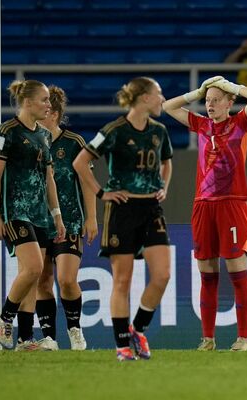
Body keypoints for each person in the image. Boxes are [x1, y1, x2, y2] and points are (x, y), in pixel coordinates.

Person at [73, 77, 173, 361]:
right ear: (144, 98)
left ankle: (138, 329)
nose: (162, 99)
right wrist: (102, 192)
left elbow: (167, 162)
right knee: (122, 281)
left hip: (151, 208)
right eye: (159, 94)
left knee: (163, 275)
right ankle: (122, 346)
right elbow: (80, 162)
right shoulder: (114, 130)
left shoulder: (159, 131)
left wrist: (164, 186)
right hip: (122, 209)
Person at [162, 75, 247, 351]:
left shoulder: (240, 123)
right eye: (207, 101)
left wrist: (231, 86)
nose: (210, 105)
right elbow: (168, 107)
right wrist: (197, 91)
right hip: (203, 204)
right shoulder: (202, 125)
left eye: (216, 100)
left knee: (236, 269)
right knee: (207, 271)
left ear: (230, 102)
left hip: (233, 204)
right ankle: (208, 339)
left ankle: (243, 338)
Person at [0, 79, 66, 350]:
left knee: (32, 275)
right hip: (15, 211)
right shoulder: (5, 132)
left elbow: (49, 179)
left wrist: (56, 214)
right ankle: (4, 317)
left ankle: (24, 339)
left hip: (39, 213)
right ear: (28, 102)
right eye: (44, 100)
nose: (49, 104)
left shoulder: (44, 135)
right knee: (33, 267)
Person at [32, 85, 96, 351]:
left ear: (55, 114)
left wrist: (91, 218)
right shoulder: (30, 143)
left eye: (45, 112)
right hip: (38, 222)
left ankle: (75, 330)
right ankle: (49, 338)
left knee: (67, 279)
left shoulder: (74, 143)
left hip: (69, 221)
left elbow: (87, 183)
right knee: (42, 279)